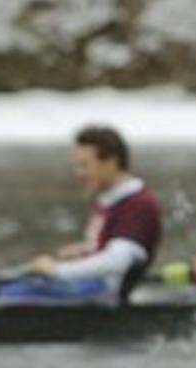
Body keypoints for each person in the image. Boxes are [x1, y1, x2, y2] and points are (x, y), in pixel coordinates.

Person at [11, 125, 162, 304]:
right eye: (77, 166)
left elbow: (117, 261)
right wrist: (88, 249)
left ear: (111, 162)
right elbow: (115, 246)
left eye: (85, 165)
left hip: (102, 295)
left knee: (10, 293)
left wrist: (58, 270)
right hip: (90, 288)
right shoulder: (112, 199)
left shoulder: (137, 205)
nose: (79, 173)